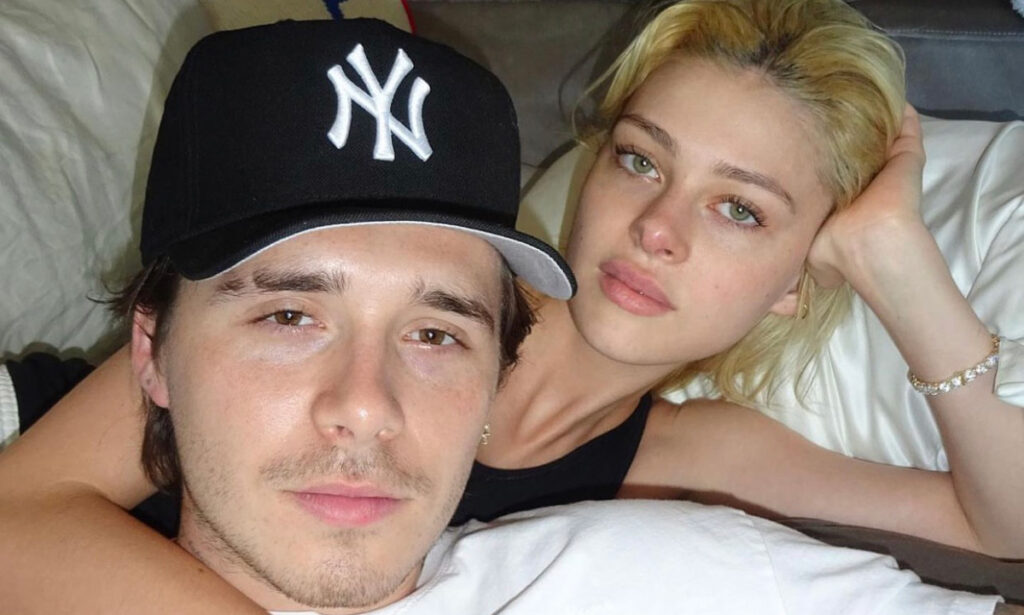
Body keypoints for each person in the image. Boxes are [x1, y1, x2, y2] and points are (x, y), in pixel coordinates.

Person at [1, 0, 1022, 611]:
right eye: (641, 160)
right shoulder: (394, 269)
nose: (658, 229)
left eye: (738, 210)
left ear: (798, 277)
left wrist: (900, 266)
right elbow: (17, 518)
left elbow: (1001, 528)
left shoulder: (697, 455)